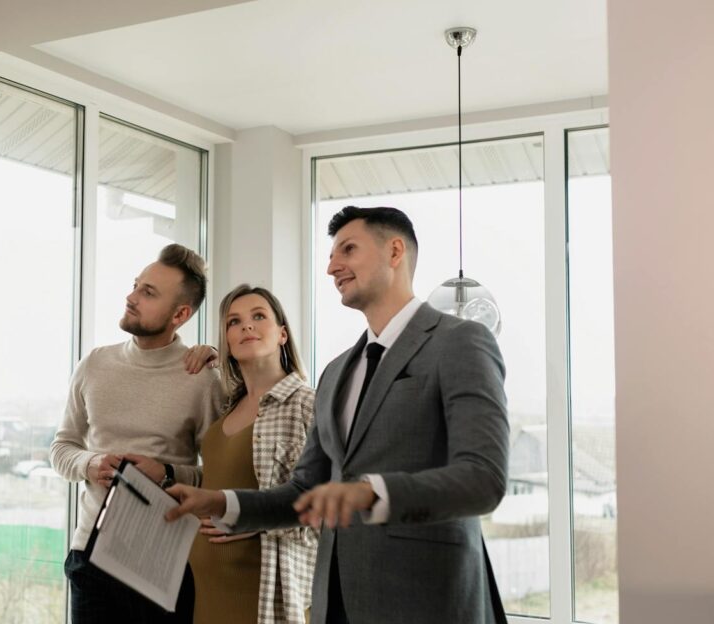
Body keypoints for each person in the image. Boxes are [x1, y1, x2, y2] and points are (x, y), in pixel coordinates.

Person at [166, 207, 510, 623]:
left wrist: (369, 492)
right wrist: (219, 501)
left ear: (395, 251)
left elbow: (483, 478)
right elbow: (303, 491)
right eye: (330, 255)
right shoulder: (336, 372)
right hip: (337, 601)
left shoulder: (460, 342)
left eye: (348, 249)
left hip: (430, 597)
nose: (332, 267)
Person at [50, 243, 226, 624]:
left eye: (148, 293)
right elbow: (61, 447)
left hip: (164, 565)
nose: (131, 298)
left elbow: (218, 477)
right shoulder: (95, 364)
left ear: (180, 314)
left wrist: (166, 473)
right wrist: (91, 462)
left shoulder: (201, 379)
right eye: (135, 286)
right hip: (91, 559)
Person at [186, 285, 317, 624]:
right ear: (226, 341)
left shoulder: (307, 405)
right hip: (206, 595)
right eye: (234, 322)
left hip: (267, 597)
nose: (246, 326)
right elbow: (221, 479)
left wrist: (259, 519)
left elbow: (334, 506)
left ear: (282, 334)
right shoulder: (225, 411)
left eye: (259, 316)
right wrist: (166, 473)